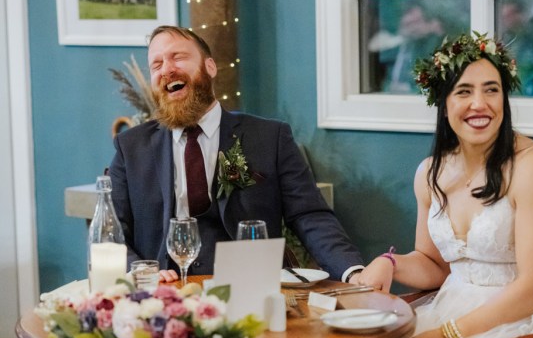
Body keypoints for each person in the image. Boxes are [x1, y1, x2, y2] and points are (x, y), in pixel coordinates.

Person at [330, 32, 533, 338]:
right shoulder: (430, 174)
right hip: (449, 307)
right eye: (464, 91)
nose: (479, 104)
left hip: (527, 321)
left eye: (491, 89)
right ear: (443, 102)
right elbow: (433, 265)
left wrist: (447, 334)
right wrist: (389, 262)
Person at [109, 25, 365, 286]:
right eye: (156, 64)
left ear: (210, 67)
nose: (166, 69)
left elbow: (309, 215)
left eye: (178, 57)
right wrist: (139, 271)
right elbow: (110, 234)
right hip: (164, 295)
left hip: (252, 288)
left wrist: (353, 272)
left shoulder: (269, 137)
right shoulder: (130, 147)